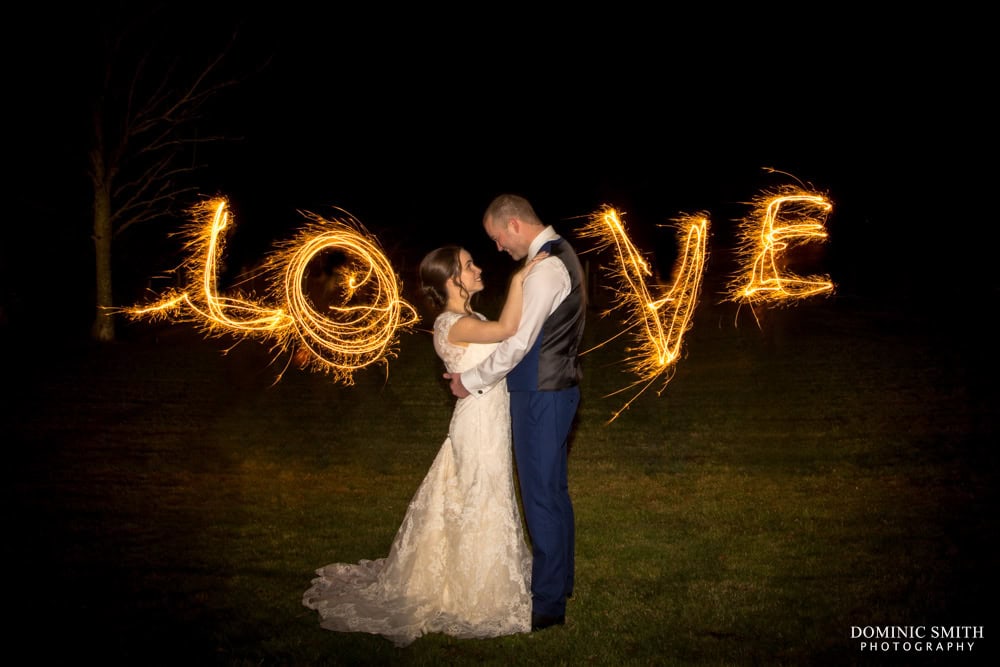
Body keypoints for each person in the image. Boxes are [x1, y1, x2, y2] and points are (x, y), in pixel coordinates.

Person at [302, 244, 546, 647]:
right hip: (479, 425)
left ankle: (482, 573)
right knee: (480, 494)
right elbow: (506, 331)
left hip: (490, 417)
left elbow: (501, 348)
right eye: (469, 266)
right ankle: (476, 590)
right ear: (452, 280)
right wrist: (519, 279)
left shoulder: (470, 318)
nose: (478, 268)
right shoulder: (452, 324)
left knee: (484, 493)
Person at [446, 193, 586, 632]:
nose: (498, 248)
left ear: (513, 225)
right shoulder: (556, 256)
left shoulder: (545, 268)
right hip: (553, 390)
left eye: (496, 238)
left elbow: (518, 344)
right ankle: (559, 583)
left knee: (542, 498)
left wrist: (470, 381)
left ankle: (546, 605)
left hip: (541, 394)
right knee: (553, 492)